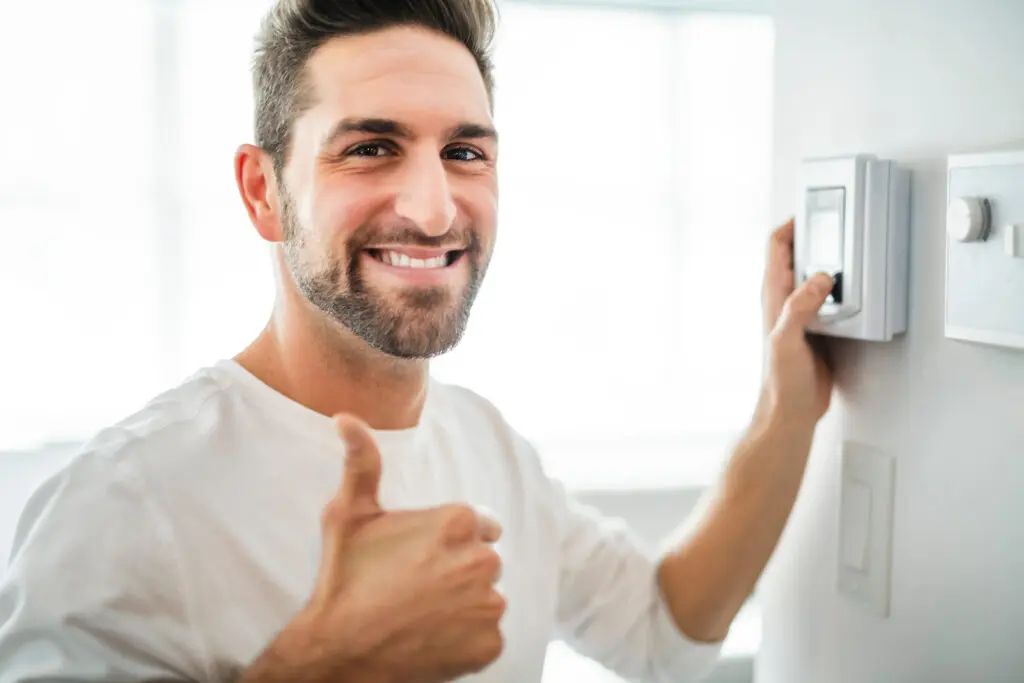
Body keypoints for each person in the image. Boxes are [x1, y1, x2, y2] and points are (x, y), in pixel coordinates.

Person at [0, 1, 836, 681]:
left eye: (464, 151)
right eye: (371, 148)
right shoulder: (120, 506)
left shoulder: (493, 449)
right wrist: (324, 664)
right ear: (263, 192)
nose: (435, 210)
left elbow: (663, 631)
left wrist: (786, 408)